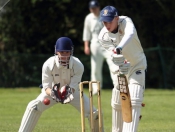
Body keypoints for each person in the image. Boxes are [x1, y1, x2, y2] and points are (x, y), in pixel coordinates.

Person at [18, 37, 103, 132]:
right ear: (56, 52)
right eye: (62, 52)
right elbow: (46, 86)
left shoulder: (78, 65)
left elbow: (74, 85)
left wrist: (67, 91)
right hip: (52, 92)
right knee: (33, 107)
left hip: (72, 93)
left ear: (71, 52)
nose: (64, 56)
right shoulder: (48, 64)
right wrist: (54, 93)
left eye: (67, 52)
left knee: (94, 113)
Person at [98, 6, 147, 132]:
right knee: (117, 98)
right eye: (104, 22)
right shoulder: (103, 36)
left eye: (109, 21)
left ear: (117, 18)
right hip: (121, 68)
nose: (107, 25)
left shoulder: (125, 21)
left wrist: (119, 48)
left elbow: (130, 34)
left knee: (135, 97)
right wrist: (119, 59)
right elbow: (113, 54)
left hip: (137, 64)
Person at [83, 0, 114, 94]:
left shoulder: (105, 15)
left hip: (108, 44)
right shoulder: (88, 18)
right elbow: (86, 32)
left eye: (95, 8)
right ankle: (96, 89)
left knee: (114, 64)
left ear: (99, 7)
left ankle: (118, 85)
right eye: (92, 8)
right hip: (95, 44)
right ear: (90, 9)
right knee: (95, 67)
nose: (94, 10)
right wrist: (86, 46)